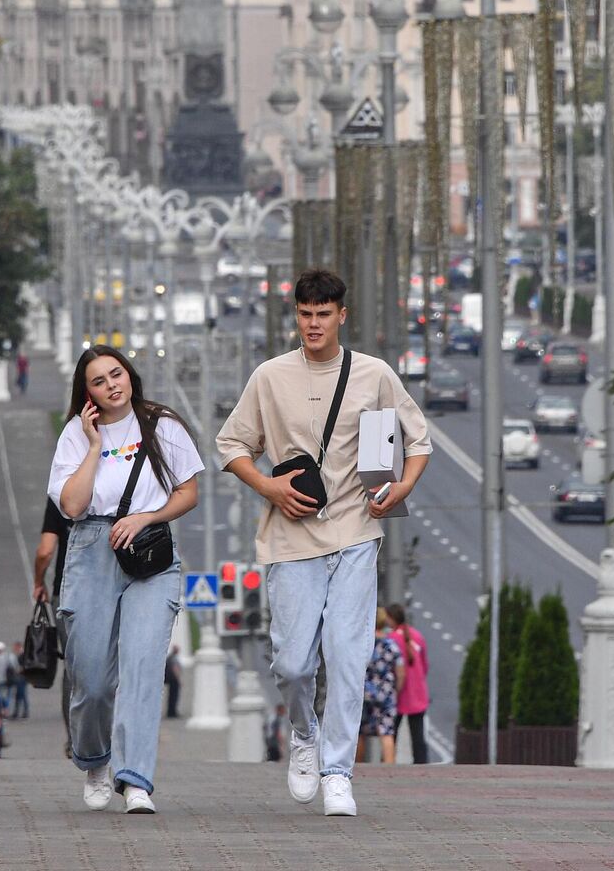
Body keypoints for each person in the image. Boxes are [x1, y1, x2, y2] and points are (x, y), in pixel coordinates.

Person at [217, 267, 430, 817]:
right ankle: (304, 735)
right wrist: (268, 486)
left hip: (356, 533)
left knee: (348, 655)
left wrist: (400, 487)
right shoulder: (269, 376)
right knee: (292, 664)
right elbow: (232, 443)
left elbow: (417, 438)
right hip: (290, 538)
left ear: (341, 315)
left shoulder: (374, 374)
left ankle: (338, 771)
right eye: (305, 314)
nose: (313, 324)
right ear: (296, 316)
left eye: (323, 314)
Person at [49, 346, 203, 815]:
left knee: (142, 667)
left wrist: (146, 517)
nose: (112, 384)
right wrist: (95, 445)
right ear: (87, 391)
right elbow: (72, 507)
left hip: (150, 552)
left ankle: (135, 779)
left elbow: (188, 493)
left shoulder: (162, 425)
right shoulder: (76, 434)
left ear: (129, 375)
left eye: (117, 374)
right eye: (99, 380)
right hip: (91, 551)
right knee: (91, 678)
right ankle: (95, 759)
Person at [34, 496, 73, 756]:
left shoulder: (61, 495)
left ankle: (76, 741)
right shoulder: (116, 482)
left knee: (74, 667)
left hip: (68, 591)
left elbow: (46, 551)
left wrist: (39, 582)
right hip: (114, 588)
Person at [386, 602, 431, 764]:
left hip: (398, 693)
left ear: (391, 619)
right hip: (417, 692)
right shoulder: (417, 636)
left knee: (391, 734)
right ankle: (421, 766)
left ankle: (387, 763)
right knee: (418, 736)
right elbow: (425, 665)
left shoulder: (391, 639)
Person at [360, 608, 403, 764]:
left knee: (360, 732)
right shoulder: (391, 645)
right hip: (385, 692)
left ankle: (357, 765)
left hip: (364, 691)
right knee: (386, 732)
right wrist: (396, 689)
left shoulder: (363, 643)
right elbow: (400, 671)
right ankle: (389, 766)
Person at [7, 643, 31, 719]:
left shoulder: (23, 656)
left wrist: (19, 669)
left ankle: (22, 712)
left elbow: (25, 666)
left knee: (21, 695)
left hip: (22, 678)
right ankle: (20, 712)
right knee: (20, 695)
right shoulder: (21, 655)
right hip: (21, 678)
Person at [163, 646, 182, 719]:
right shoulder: (174, 658)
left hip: (170, 679)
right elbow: (175, 669)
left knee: (171, 697)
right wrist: (178, 679)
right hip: (173, 680)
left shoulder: (169, 657)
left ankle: (171, 711)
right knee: (173, 697)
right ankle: (172, 712)